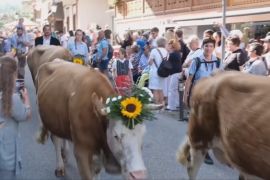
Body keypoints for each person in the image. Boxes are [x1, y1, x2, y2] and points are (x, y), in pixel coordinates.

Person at [183, 38, 220, 165]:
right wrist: (186, 95)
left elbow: (220, 79)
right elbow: (189, 79)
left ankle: (198, 150)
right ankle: (200, 151)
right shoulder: (197, 61)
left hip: (211, 97)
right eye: (206, 46)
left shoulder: (217, 61)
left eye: (211, 46)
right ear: (202, 47)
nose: (208, 48)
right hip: (197, 96)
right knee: (198, 124)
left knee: (207, 126)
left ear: (213, 48)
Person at [0, 56, 31, 178]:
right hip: (7, 157)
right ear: (13, 76)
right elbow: (25, 115)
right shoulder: (13, 99)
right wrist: (26, 99)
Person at [148, 37, 168, 105]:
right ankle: (162, 105)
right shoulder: (166, 51)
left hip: (155, 72)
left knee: (155, 90)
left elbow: (150, 62)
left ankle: (157, 105)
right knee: (161, 89)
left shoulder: (154, 51)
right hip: (163, 72)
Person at [166, 39, 182, 111]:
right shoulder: (177, 53)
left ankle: (171, 106)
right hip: (178, 73)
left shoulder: (172, 54)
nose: (168, 45)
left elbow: (168, 64)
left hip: (174, 73)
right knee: (175, 90)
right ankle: (177, 104)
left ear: (172, 45)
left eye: (169, 44)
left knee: (172, 90)